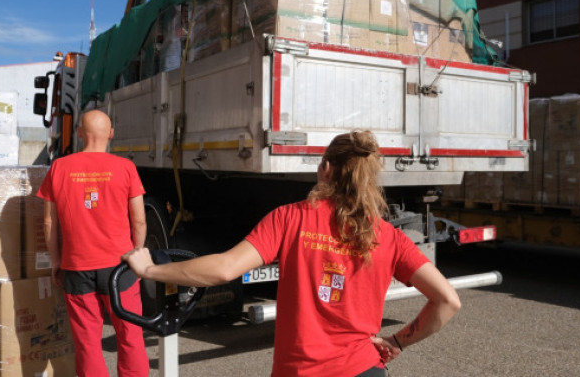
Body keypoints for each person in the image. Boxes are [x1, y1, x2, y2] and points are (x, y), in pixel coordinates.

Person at [122, 130, 461, 377]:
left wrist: (151, 269)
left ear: (326, 168)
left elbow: (225, 269)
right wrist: (398, 342)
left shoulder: (290, 218)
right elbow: (448, 300)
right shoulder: (388, 236)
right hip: (365, 370)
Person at [38, 109, 150, 377]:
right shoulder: (126, 168)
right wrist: (138, 254)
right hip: (120, 266)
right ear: (111, 134)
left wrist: (56, 262)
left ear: (78, 132)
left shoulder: (59, 168)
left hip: (77, 268)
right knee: (130, 336)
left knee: (87, 343)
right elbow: (140, 221)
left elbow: (49, 223)